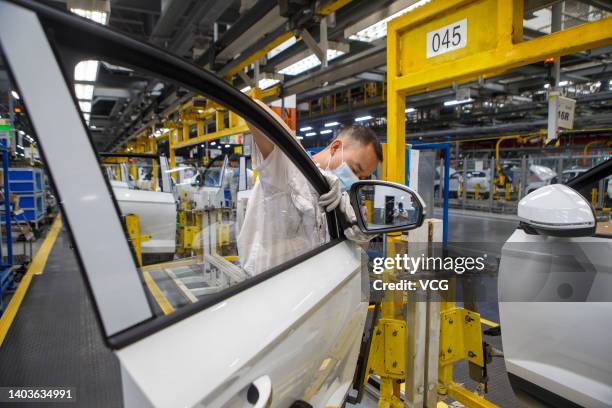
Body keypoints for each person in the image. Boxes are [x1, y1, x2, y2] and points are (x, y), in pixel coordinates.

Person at [237, 100, 383, 276]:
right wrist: (313, 170)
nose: (354, 180)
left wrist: (360, 230)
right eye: (354, 170)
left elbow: (353, 250)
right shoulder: (287, 170)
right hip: (268, 288)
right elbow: (255, 106)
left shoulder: (338, 196)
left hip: (307, 291)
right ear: (336, 147)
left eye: (361, 178)